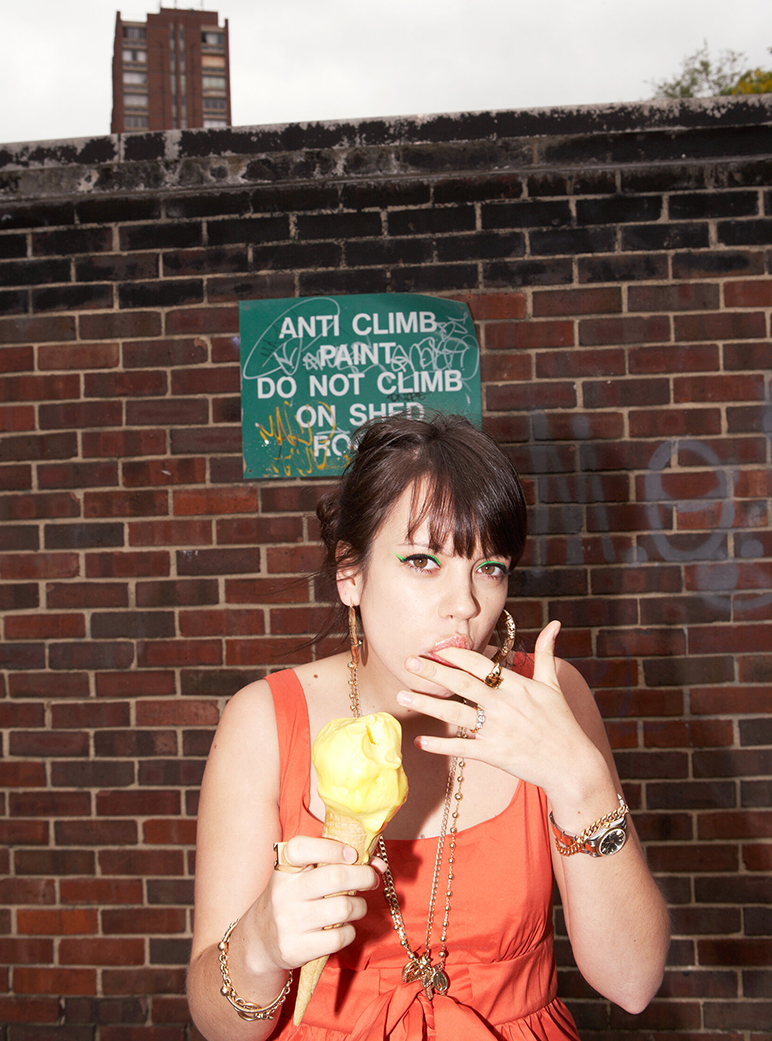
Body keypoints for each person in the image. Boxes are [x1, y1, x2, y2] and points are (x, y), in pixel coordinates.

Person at [188, 415, 669, 1040]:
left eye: (489, 566)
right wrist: (259, 946)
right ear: (350, 575)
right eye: (422, 560)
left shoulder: (551, 700)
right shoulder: (264, 723)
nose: (465, 605)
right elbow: (222, 1027)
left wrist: (583, 784)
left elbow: (631, 985)